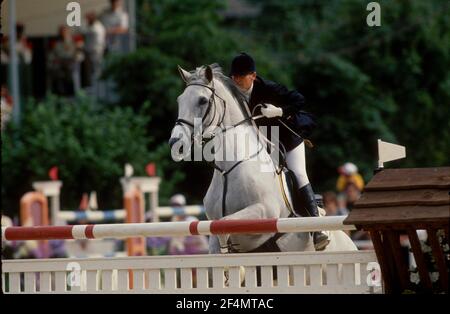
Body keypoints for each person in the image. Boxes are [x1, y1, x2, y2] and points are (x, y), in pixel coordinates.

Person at [229, 52, 328, 250]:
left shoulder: (269, 88)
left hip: (287, 139)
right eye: (234, 77)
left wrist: (279, 111)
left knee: (298, 173)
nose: (237, 81)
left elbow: (299, 100)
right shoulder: (232, 93)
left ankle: (318, 228)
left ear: (253, 76)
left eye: (241, 76)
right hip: (262, 141)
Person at [82, 12, 106, 87]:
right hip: (90, 52)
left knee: (97, 71)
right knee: (91, 72)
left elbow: (99, 41)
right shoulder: (90, 26)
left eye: (88, 19)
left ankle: (98, 88)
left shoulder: (97, 27)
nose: (87, 21)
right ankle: (93, 87)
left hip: (96, 52)